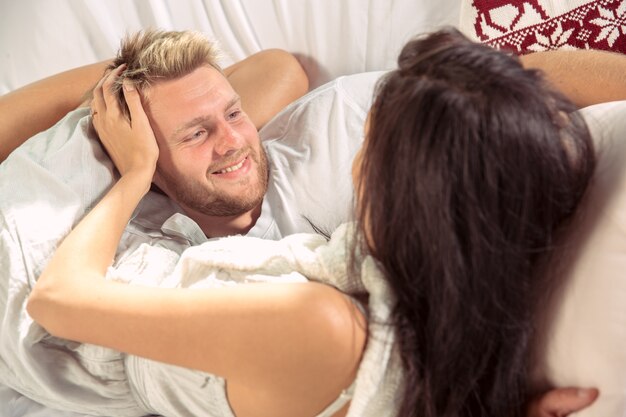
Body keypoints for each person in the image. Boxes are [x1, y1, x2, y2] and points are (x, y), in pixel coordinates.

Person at [24, 27, 600, 417]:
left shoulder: (317, 322)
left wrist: (134, 173)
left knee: (101, 97)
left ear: (401, 189)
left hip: (62, 289)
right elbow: (526, 83)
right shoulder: (442, 311)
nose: (352, 161)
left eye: (368, 146)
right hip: (140, 258)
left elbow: (56, 300)